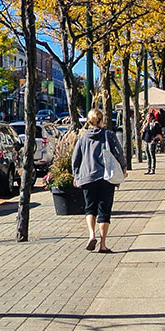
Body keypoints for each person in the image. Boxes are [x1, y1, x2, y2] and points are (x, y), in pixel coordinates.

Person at [71, 108, 126, 254]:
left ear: (88, 122)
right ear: (102, 120)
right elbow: (119, 153)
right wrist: (123, 169)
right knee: (104, 211)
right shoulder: (109, 135)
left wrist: (77, 175)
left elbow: (75, 159)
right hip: (106, 177)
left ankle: (91, 234)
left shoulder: (82, 138)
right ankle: (102, 244)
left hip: (87, 177)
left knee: (90, 208)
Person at [140, 110, 162, 175]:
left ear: (152, 117)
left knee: (152, 155)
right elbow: (142, 132)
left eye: (149, 117)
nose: (148, 118)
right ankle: (148, 169)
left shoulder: (155, 124)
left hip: (152, 141)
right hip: (146, 140)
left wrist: (155, 139)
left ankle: (153, 169)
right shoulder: (145, 124)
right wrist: (143, 131)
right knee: (147, 155)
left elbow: (159, 133)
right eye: (147, 117)